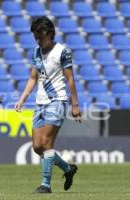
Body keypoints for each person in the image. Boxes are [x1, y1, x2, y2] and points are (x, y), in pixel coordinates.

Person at [14, 16, 82, 193]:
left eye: (40, 35)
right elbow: (32, 78)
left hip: (58, 100)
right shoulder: (36, 52)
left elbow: (70, 79)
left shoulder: (62, 51)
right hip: (40, 103)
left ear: (49, 33)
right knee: (37, 147)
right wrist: (22, 99)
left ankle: (46, 184)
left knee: (46, 142)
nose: (37, 39)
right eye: (35, 36)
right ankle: (68, 169)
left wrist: (75, 105)